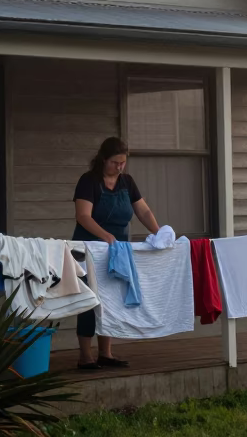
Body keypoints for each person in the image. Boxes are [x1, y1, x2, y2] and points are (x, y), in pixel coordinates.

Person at [71, 136, 161, 369]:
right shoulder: (88, 181)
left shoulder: (127, 182)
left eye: (123, 162)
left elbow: (143, 211)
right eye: (115, 163)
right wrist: (105, 235)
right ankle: (85, 356)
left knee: (110, 299)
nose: (120, 167)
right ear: (103, 159)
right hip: (89, 248)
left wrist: (159, 234)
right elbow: (83, 216)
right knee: (89, 300)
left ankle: (106, 353)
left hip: (117, 250)